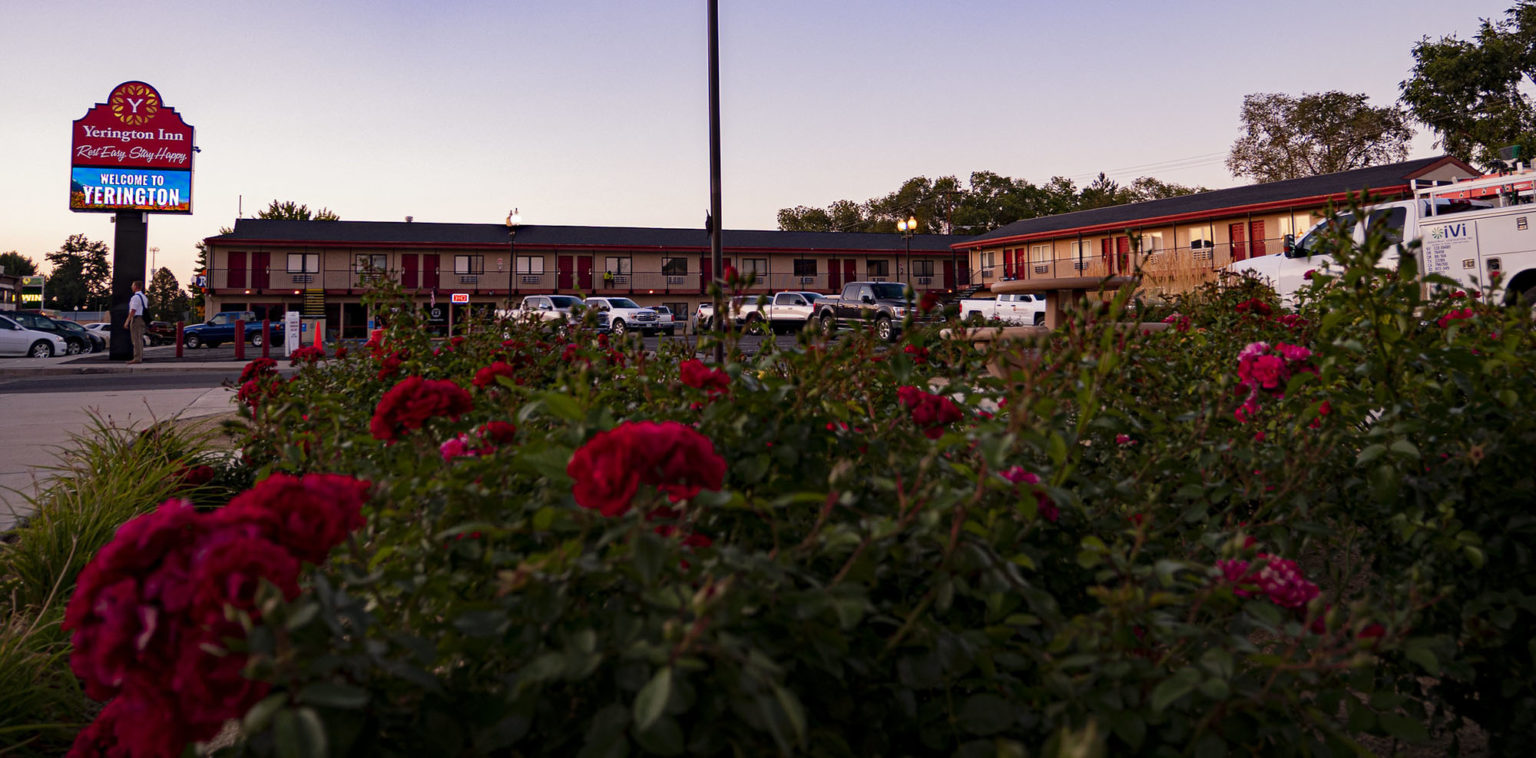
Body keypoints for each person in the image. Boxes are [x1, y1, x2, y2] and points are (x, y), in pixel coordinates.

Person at [125, 280, 148, 364]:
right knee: (140, 338)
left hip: (136, 319)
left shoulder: (135, 297)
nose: (131, 287)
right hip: (142, 319)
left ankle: (137, 358)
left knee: (135, 339)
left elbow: (133, 310)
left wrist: (127, 321)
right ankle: (140, 356)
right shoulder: (144, 297)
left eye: (132, 285)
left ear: (135, 286)